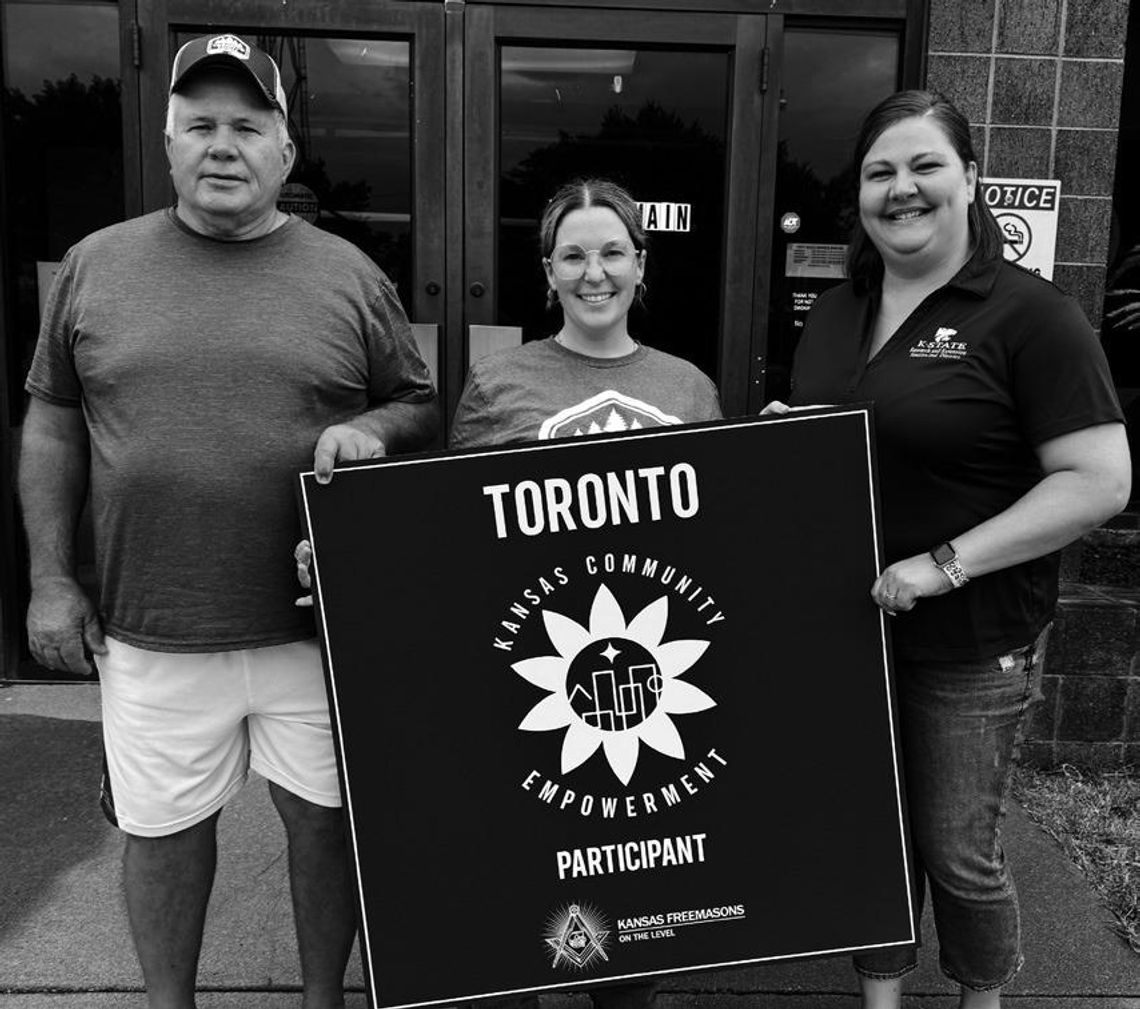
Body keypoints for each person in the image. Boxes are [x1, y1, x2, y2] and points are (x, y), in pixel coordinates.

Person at [19, 33, 437, 1009]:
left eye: (247, 126)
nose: (222, 146)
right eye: (198, 125)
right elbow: (50, 420)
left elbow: (419, 402)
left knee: (330, 824)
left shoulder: (347, 275)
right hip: (154, 622)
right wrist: (49, 577)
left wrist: (375, 428)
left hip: (318, 625)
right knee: (161, 833)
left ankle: (322, 1000)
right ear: (166, 147)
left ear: (285, 153)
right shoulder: (95, 267)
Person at [296, 178, 721, 1009]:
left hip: (652, 688)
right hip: (537, 681)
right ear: (548, 270)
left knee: (638, 933)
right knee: (536, 926)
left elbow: (714, 542)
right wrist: (349, 550)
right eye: (573, 255)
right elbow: (451, 534)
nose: (593, 272)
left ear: (641, 265)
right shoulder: (500, 385)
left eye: (611, 253)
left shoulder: (690, 389)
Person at [766, 90, 1130, 1009]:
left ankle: (982, 996)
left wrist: (947, 561)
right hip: (849, 626)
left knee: (959, 850)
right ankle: (880, 997)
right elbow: (849, 438)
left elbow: (1098, 479)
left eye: (925, 164)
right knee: (873, 835)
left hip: (972, 635)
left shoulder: (1030, 315)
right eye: (880, 172)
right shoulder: (837, 309)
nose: (902, 188)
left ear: (970, 178)